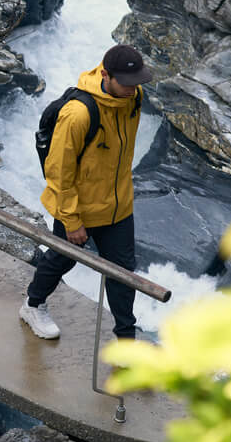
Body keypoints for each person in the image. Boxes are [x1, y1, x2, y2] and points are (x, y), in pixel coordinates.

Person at [19, 43, 154, 341]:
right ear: (106, 75)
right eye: (126, 83)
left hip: (118, 206)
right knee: (62, 258)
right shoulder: (78, 114)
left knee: (123, 274)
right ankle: (33, 305)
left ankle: (126, 339)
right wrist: (71, 220)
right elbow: (59, 171)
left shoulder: (133, 98)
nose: (133, 89)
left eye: (136, 82)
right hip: (79, 208)